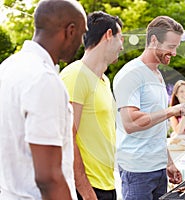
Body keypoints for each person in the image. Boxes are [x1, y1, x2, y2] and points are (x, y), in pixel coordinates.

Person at [0, 0, 87, 199]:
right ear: (70, 31)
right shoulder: (43, 79)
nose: (82, 42)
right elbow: (49, 178)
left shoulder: (8, 67)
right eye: (82, 34)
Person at [113, 16, 185, 200]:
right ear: (153, 41)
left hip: (157, 170)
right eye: (171, 47)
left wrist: (169, 162)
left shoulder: (157, 75)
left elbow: (155, 128)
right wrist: (173, 110)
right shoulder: (131, 74)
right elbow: (131, 122)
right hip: (137, 171)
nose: (174, 53)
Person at [60, 11, 123, 200]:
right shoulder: (74, 76)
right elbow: (67, 138)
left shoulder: (104, 80)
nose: (122, 47)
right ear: (108, 35)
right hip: (87, 190)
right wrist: (87, 193)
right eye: (121, 39)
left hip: (106, 185)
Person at [168, 80, 185, 151]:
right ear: (176, 94)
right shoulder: (172, 110)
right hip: (181, 139)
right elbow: (178, 131)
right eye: (181, 91)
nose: (184, 94)